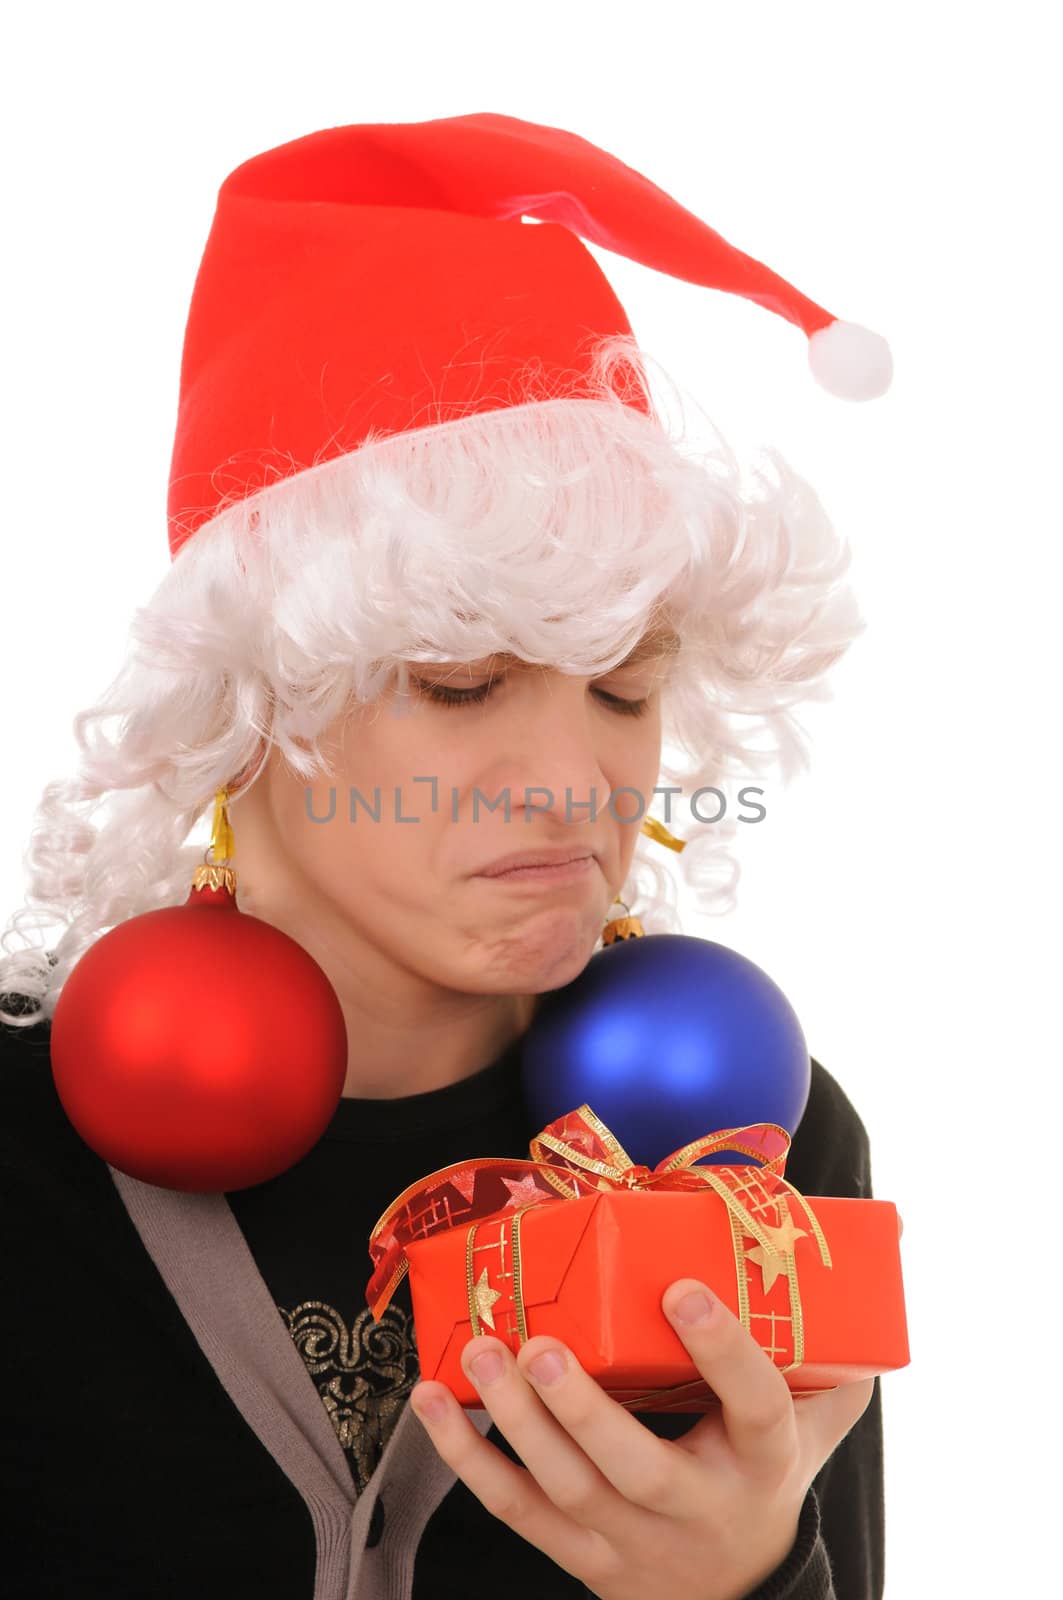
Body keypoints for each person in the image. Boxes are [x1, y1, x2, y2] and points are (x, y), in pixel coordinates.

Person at [0, 112, 891, 1598]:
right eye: (464, 685)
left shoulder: (760, 1165)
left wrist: (745, 1583)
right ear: (247, 702)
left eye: (625, 685)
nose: (573, 781)